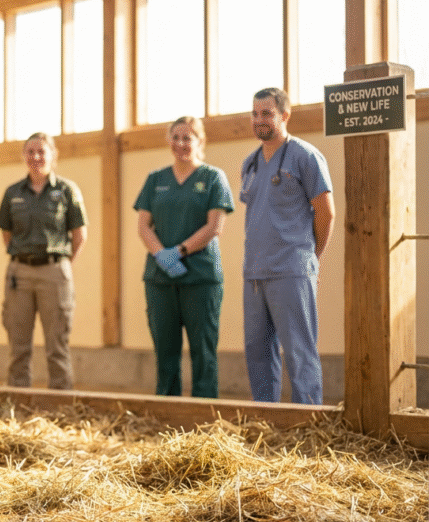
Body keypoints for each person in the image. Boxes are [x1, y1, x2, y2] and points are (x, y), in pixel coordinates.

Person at [240, 87, 335, 405]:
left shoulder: (304, 156)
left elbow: (326, 212)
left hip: (291, 269)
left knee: (299, 351)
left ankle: (308, 425)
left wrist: (312, 258)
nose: (259, 120)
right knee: (257, 352)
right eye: (254, 114)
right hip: (255, 273)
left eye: (266, 113)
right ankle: (266, 424)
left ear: (285, 115)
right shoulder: (250, 164)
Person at [134, 116, 234, 398]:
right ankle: (167, 414)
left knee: (203, 352)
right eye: (176, 137)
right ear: (168, 141)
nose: (181, 143)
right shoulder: (156, 180)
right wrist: (161, 256)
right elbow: (143, 226)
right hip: (160, 279)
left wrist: (179, 252)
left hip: (200, 278)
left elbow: (215, 226)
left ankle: (203, 416)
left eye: (187, 137)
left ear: (200, 140)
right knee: (165, 352)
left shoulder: (213, 177)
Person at [0, 132, 87, 390]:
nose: (35, 157)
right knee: (18, 346)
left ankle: (60, 408)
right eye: (30, 152)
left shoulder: (67, 191)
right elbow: (6, 234)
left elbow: (79, 235)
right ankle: (18, 404)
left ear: (52, 156)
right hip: (20, 274)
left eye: (41, 152)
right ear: (24, 156)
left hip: (54, 272)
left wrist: (63, 266)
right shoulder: (12, 192)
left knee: (57, 346)